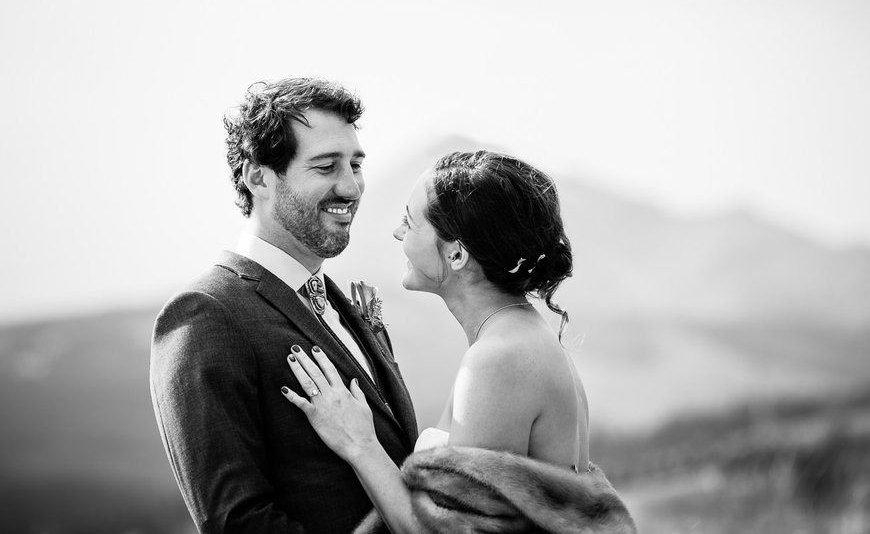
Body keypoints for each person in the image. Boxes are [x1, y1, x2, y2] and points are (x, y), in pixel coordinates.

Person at [282, 151, 636, 533]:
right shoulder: (523, 337)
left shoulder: (500, 359)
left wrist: (359, 444)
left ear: (455, 253)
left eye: (410, 221)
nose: (398, 233)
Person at [150, 78, 418, 533]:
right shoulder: (206, 313)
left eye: (355, 164)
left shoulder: (340, 301)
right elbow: (237, 522)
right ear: (259, 177)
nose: (351, 188)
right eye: (326, 166)